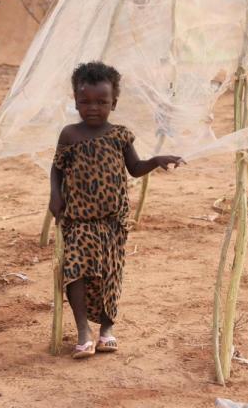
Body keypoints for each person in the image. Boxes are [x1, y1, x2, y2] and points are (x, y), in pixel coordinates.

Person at [49, 62, 183, 359]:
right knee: (75, 272)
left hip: (112, 223)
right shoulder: (69, 135)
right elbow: (56, 170)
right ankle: (83, 330)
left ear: (114, 103)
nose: (93, 108)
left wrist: (156, 159)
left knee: (110, 276)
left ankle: (107, 329)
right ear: (75, 100)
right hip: (78, 221)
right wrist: (54, 196)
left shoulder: (121, 135)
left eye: (101, 102)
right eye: (85, 101)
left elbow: (134, 169)